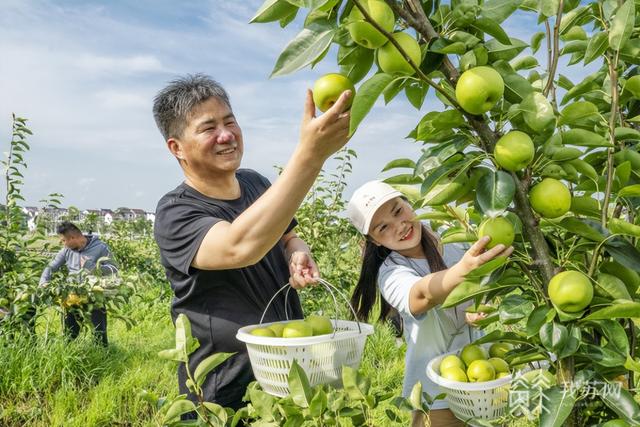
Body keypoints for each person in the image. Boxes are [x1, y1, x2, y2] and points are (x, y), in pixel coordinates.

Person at [152, 74, 351, 411]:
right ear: (177, 148)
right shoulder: (175, 212)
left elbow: (286, 232)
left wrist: (297, 250)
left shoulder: (255, 182)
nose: (226, 135)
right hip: (223, 393)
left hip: (288, 376)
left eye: (230, 121)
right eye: (208, 128)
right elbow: (239, 246)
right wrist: (311, 155)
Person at [346, 180, 514, 427]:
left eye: (398, 210)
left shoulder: (456, 243)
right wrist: (464, 269)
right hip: (435, 396)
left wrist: (478, 306)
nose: (400, 226)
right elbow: (421, 295)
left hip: (482, 385)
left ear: (408, 202)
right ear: (375, 241)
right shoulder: (391, 272)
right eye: (384, 227)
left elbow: (481, 289)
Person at [39, 221, 117, 346]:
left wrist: (93, 268)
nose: (63, 243)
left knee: (99, 330)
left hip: (94, 296)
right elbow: (51, 266)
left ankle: (103, 355)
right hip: (72, 296)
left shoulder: (101, 248)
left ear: (73, 238)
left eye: (64, 240)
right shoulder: (66, 250)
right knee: (70, 331)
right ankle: (69, 353)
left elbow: (114, 268)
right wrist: (44, 281)